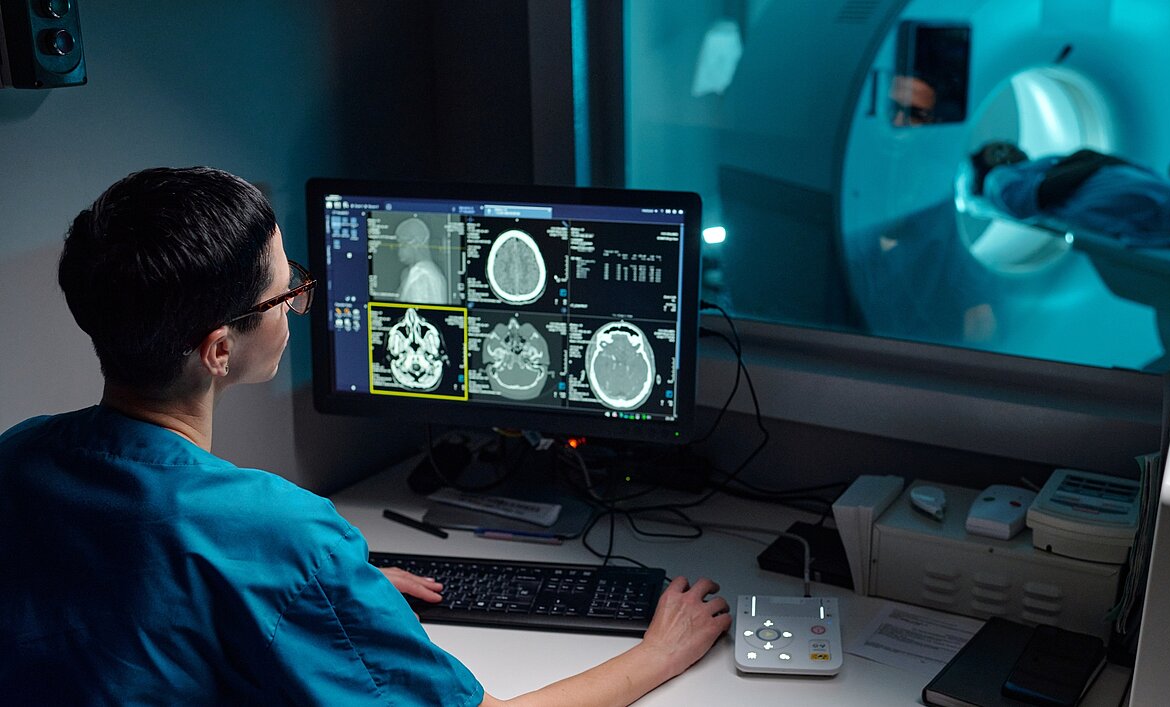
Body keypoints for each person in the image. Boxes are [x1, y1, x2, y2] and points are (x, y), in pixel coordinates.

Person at [0, 167, 731, 705]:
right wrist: (659, 653)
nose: (299, 305)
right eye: (287, 292)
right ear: (219, 350)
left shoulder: (20, 458)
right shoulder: (283, 535)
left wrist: (326, 596)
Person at [970, 140, 1170, 258]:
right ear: (989, 162)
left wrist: (1088, 159)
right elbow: (1034, 199)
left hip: (1116, 183)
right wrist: (1087, 160)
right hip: (1101, 195)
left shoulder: (1034, 165)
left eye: (1006, 145)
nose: (1008, 150)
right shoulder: (999, 179)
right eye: (997, 151)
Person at [396, 216, 450, 304]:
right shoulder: (429, 271)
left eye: (402, 244)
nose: (399, 250)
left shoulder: (422, 277)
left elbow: (421, 316)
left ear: (416, 243)